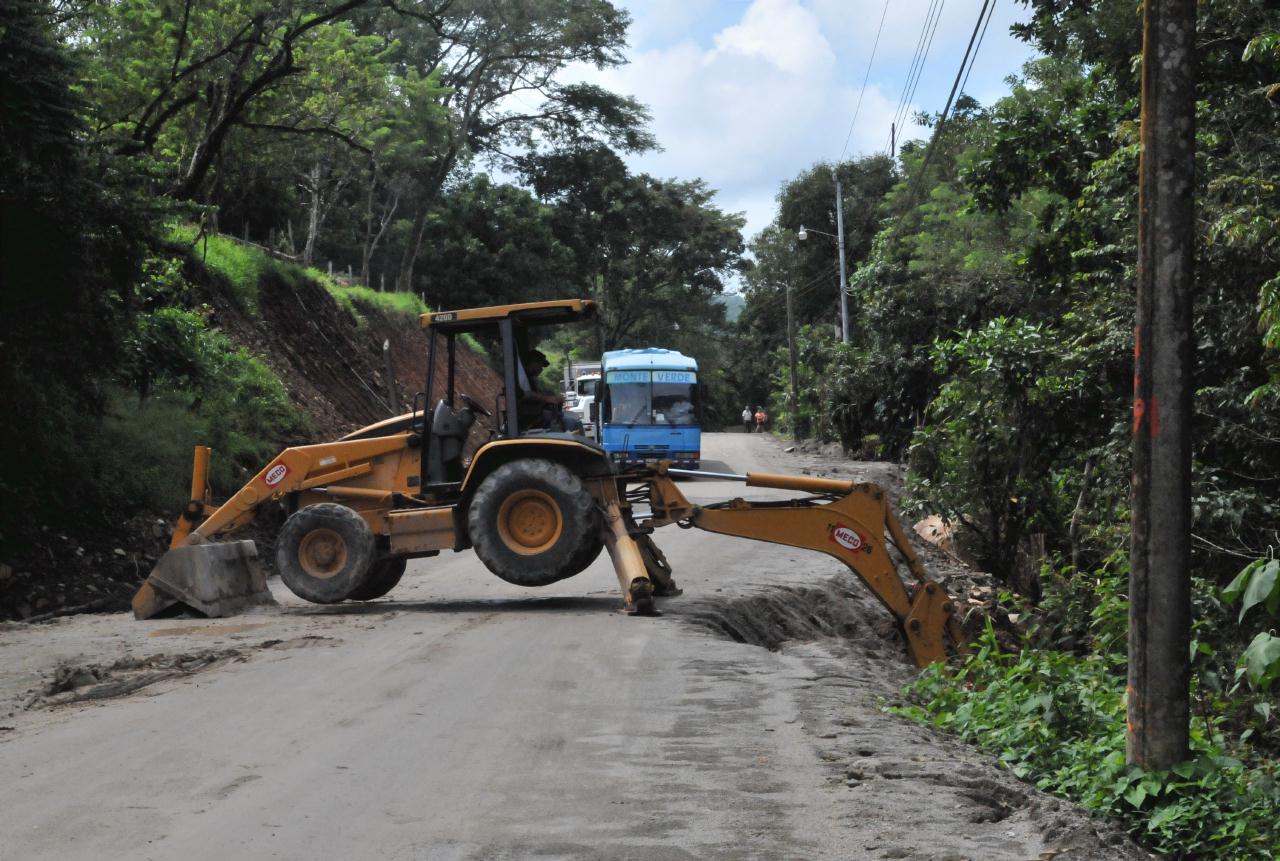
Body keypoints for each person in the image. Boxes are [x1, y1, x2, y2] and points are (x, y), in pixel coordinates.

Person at [518, 349, 582, 433]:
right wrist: (548, 398)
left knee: (573, 419)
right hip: (532, 420)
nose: (541, 370)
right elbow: (526, 395)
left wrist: (552, 396)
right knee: (572, 423)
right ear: (533, 363)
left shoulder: (531, 378)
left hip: (539, 415)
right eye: (540, 366)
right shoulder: (522, 378)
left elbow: (537, 394)